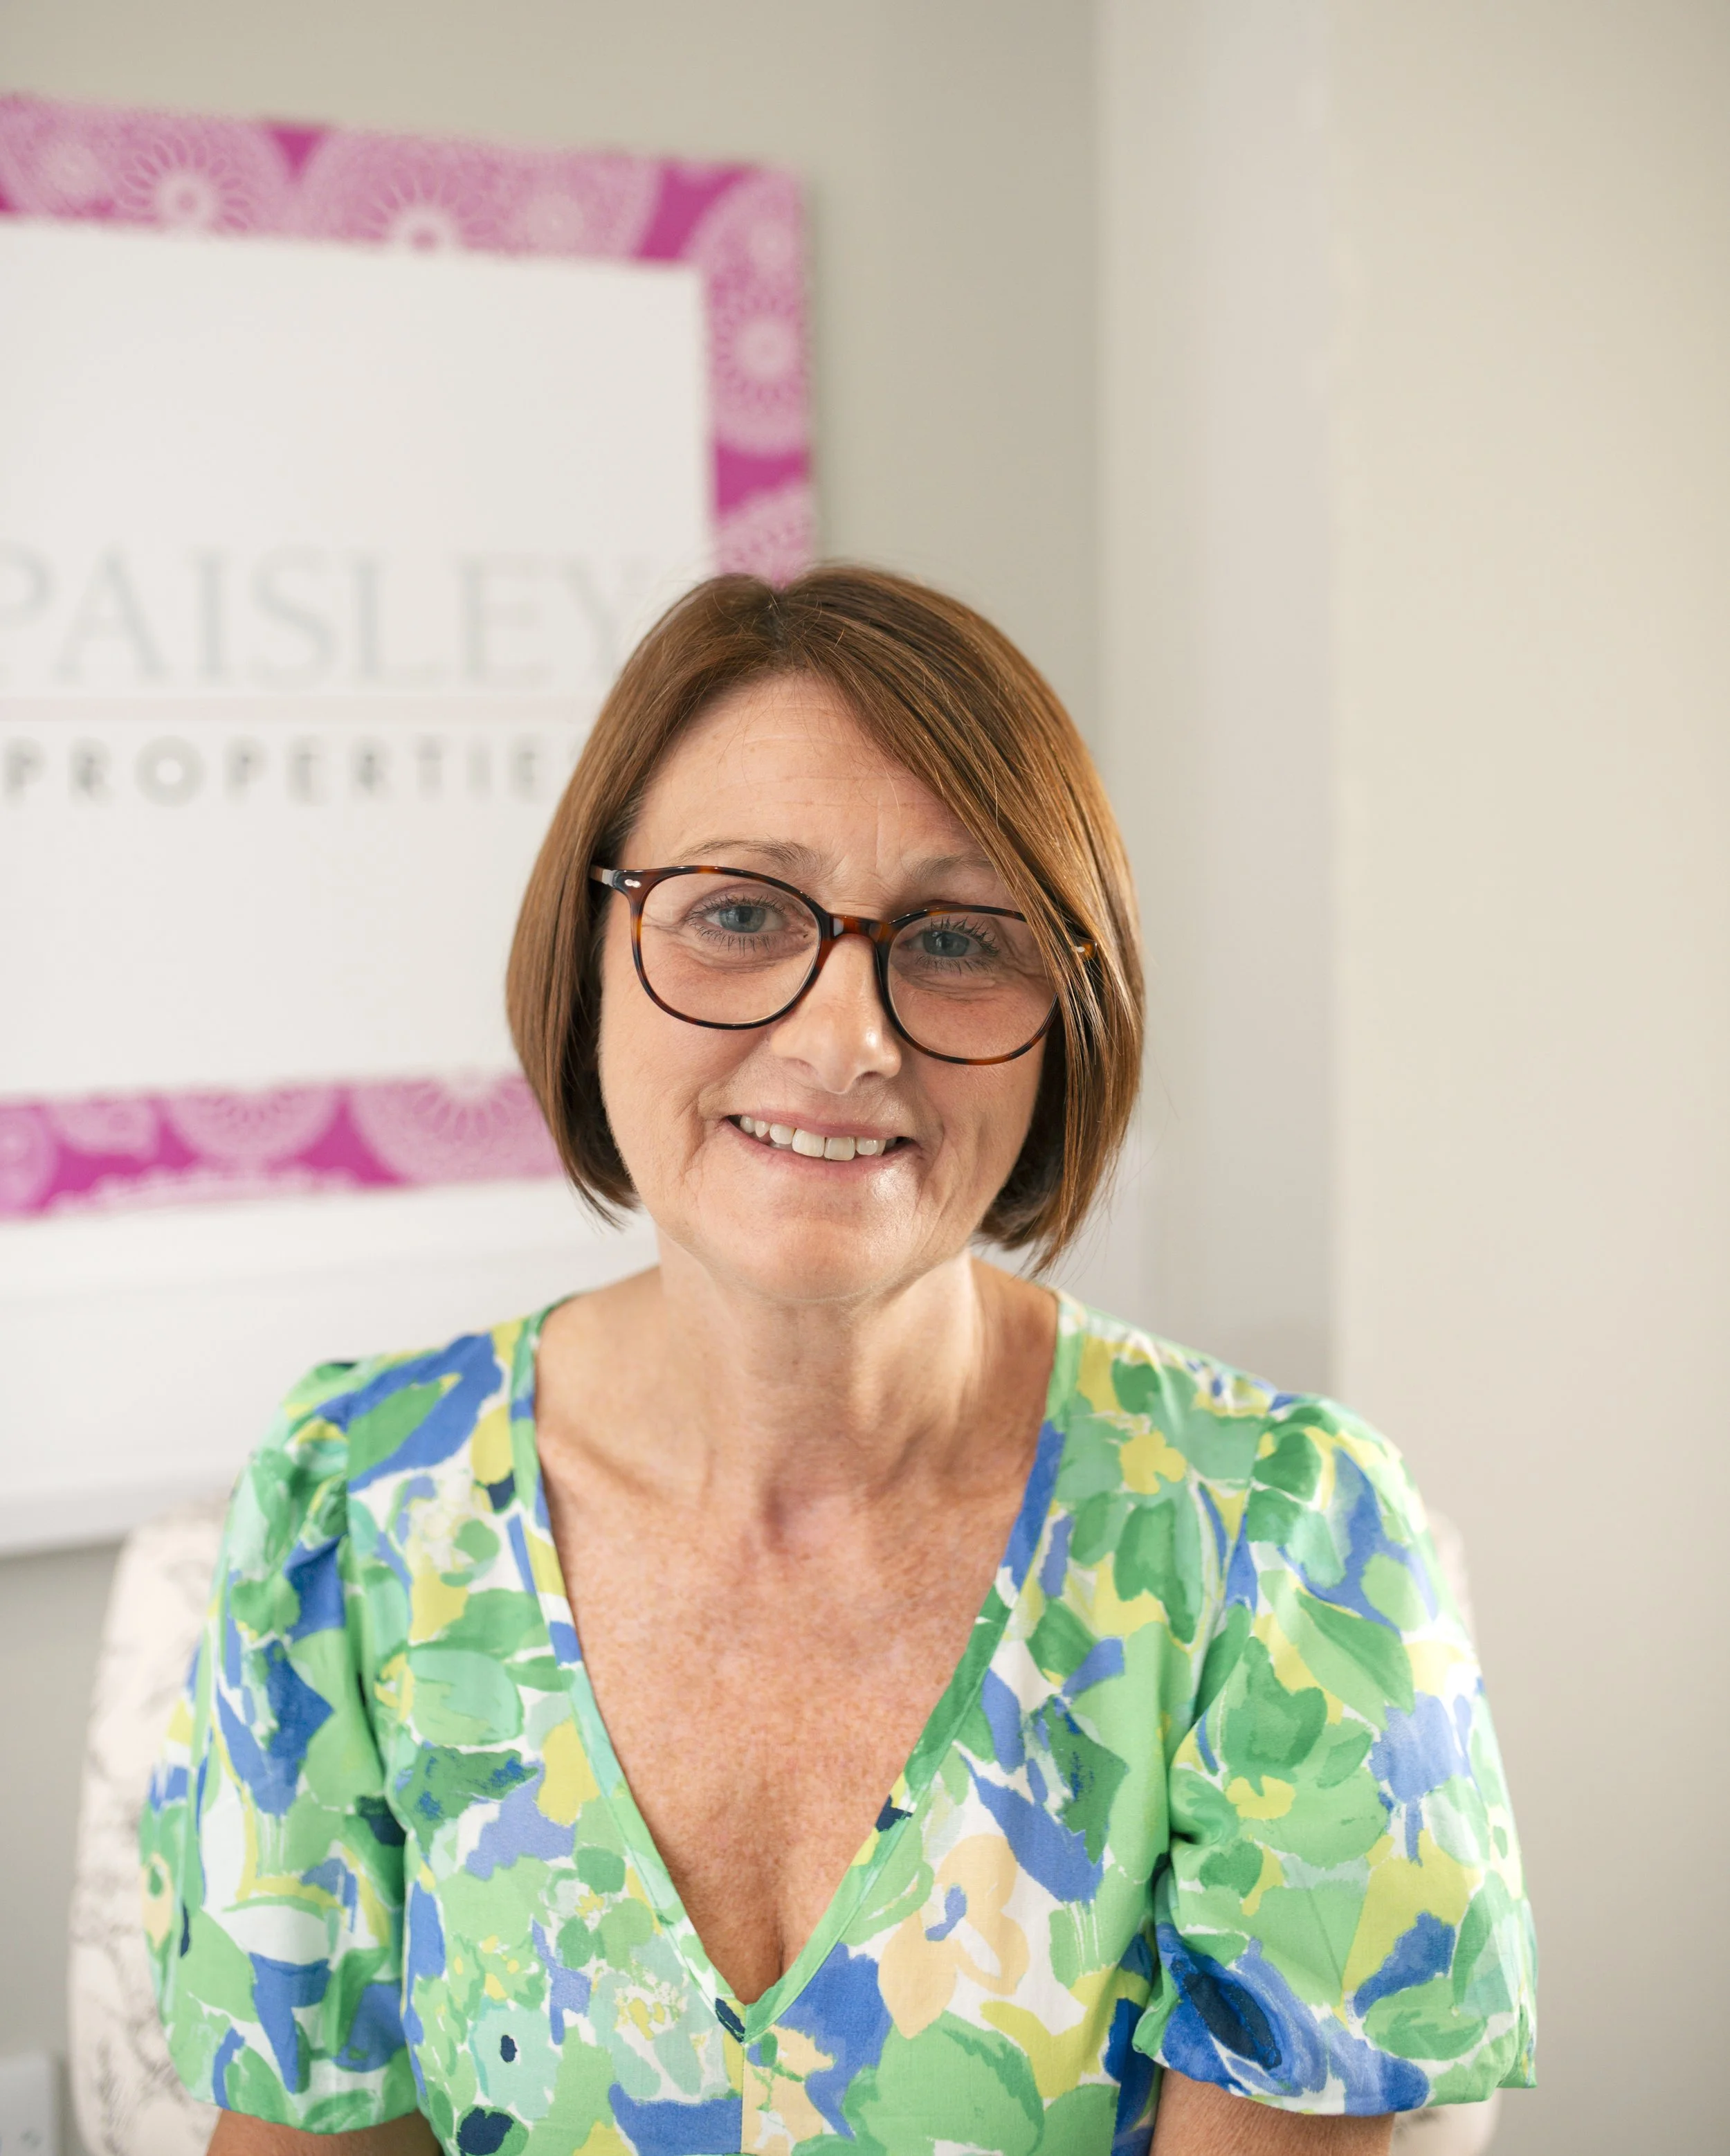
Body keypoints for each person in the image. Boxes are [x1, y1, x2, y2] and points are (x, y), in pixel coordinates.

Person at [142, 568, 1536, 2156]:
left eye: (956, 939)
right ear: (588, 946)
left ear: (1063, 1020)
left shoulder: (1282, 1539)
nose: (847, 1036)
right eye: (739, 913)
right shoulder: (349, 1502)